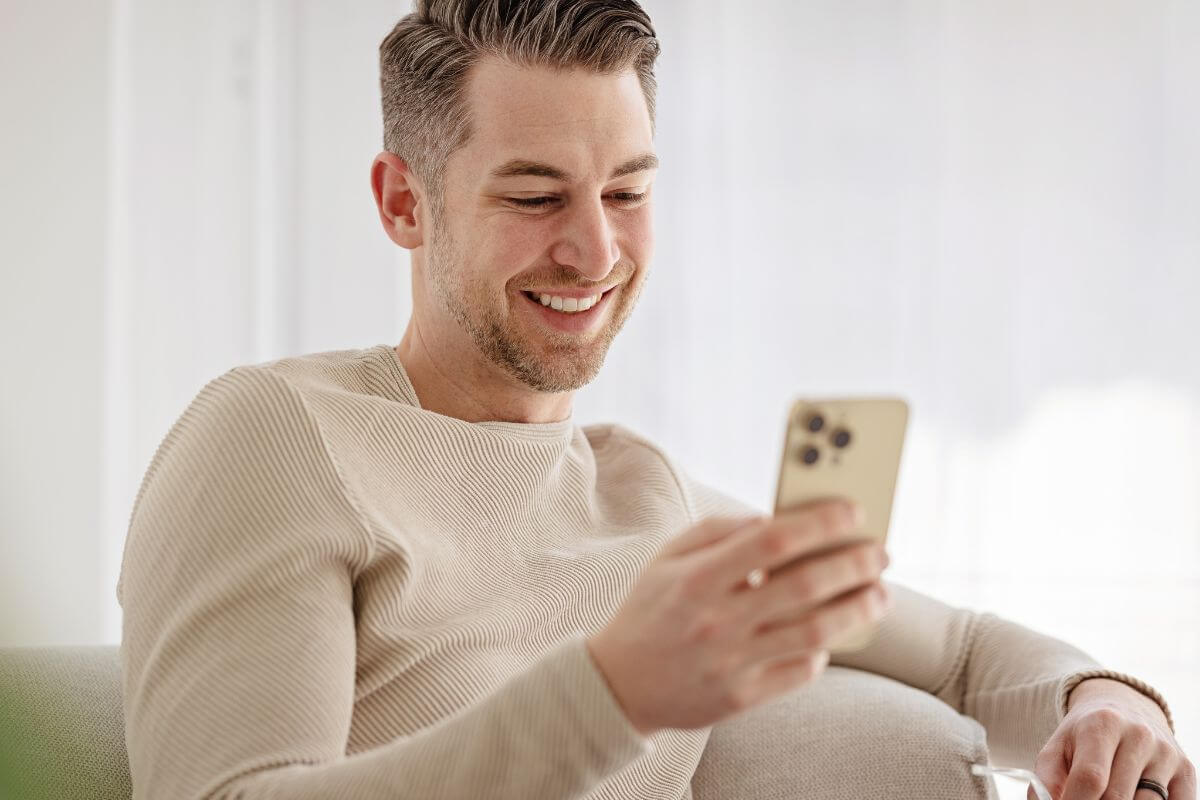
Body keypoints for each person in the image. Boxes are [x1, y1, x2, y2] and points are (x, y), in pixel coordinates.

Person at [117, 1, 1194, 799]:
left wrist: (1105, 702)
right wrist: (612, 691)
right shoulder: (275, 436)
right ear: (405, 200)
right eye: (535, 195)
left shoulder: (644, 495)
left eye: (629, 190)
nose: (595, 249)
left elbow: (959, 652)